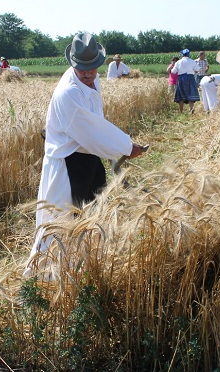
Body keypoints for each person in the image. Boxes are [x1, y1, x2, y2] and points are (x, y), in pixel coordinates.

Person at [24, 32, 145, 277]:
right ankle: (50, 276)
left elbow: (96, 124)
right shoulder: (68, 92)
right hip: (69, 165)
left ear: (99, 64)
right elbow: (92, 132)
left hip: (89, 158)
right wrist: (126, 147)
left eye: (92, 68)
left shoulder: (92, 81)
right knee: (63, 223)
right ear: (73, 64)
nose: (88, 73)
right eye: (83, 69)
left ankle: (85, 267)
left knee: (91, 217)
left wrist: (118, 147)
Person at [171, 49, 200, 113]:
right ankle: (191, 109)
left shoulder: (178, 62)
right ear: (188, 54)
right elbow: (198, 69)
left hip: (181, 78)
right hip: (190, 77)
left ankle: (181, 111)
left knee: (181, 96)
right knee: (191, 93)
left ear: (182, 55)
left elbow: (173, 71)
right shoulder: (192, 61)